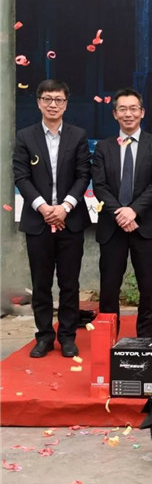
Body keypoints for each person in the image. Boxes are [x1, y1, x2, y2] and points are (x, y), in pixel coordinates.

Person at [13, 79, 91, 358]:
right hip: (38, 221)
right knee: (41, 284)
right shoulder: (25, 136)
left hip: (70, 220)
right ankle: (44, 336)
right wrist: (44, 208)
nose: (53, 104)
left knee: (69, 283)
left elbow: (83, 175)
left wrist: (65, 207)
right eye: (47, 99)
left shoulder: (78, 136)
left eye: (58, 100)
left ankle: (67, 336)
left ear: (66, 104)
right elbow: (21, 176)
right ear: (39, 103)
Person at [92, 87, 152, 338]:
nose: (128, 114)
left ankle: (145, 338)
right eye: (122, 109)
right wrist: (121, 213)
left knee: (148, 285)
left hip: (144, 225)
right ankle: (109, 338)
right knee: (109, 285)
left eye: (133, 108)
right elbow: (99, 185)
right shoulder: (103, 147)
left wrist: (133, 210)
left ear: (142, 112)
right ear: (115, 114)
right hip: (112, 227)